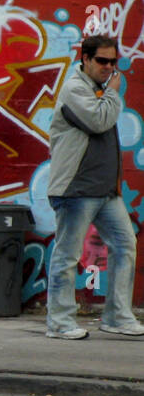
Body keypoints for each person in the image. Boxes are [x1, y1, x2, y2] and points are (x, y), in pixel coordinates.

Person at [45, 35, 143, 339]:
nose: (109, 68)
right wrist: (113, 94)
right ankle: (60, 323)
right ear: (85, 59)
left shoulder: (97, 89)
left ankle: (116, 316)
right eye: (102, 61)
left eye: (113, 62)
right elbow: (99, 120)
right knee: (67, 256)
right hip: (76, 189)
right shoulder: (75, 89)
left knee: (125, 245)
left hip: (103, 191)